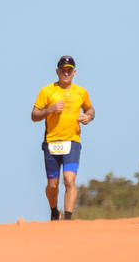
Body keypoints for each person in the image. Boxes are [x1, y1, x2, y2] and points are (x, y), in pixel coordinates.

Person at [31, 56, 95, 221]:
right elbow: (34, 115)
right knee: (52, 185)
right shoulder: (47, 91)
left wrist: (88, 117)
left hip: (72, 142)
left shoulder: (81, 92)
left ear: (74, 72)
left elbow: (90, 109)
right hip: (51, 142)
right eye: (63, 70)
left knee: (69, 180)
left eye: (69, 70)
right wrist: (49, 110)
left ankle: (67, 219)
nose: (66, 73)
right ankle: (54, 211)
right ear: (57, 72)